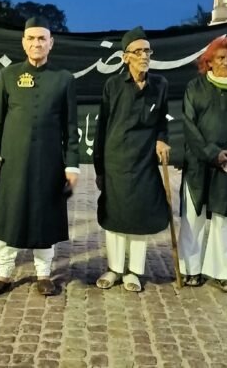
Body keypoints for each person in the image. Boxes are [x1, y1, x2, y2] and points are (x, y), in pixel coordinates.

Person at [0, 17, 79, 297]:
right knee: (8, 217)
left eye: (42, 38)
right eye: (31, 38)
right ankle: (4, 273)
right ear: (23, 42)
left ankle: (43, 274)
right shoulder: (8, 75)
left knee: (44, 217)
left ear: (51, 43)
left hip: (49, 164)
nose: (37, 43)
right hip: (12, 162)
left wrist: (72, 166)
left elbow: (71, 128)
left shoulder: (64, 78)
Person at [93, 26, 170, 292]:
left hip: (145, 162)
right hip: (115, 161)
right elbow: (102, 128)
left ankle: (134, 271)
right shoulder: (113, 85)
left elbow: (162, 122)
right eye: (138, 52)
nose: (144, 56)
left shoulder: (160, 85)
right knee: (115, 215)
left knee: (140, 215)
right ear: (125, 57)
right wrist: (100, 168)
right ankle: (115, 269)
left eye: (147, 51)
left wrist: (162, 138)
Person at [178, 36, 227, 293]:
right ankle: (191, 270)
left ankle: (225, 273)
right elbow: (189, 124)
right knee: (193, 217)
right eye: (220, 58)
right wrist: (211, 153)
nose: (226, 62)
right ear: (209, 62)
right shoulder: (195, 87)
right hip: (198, 162)